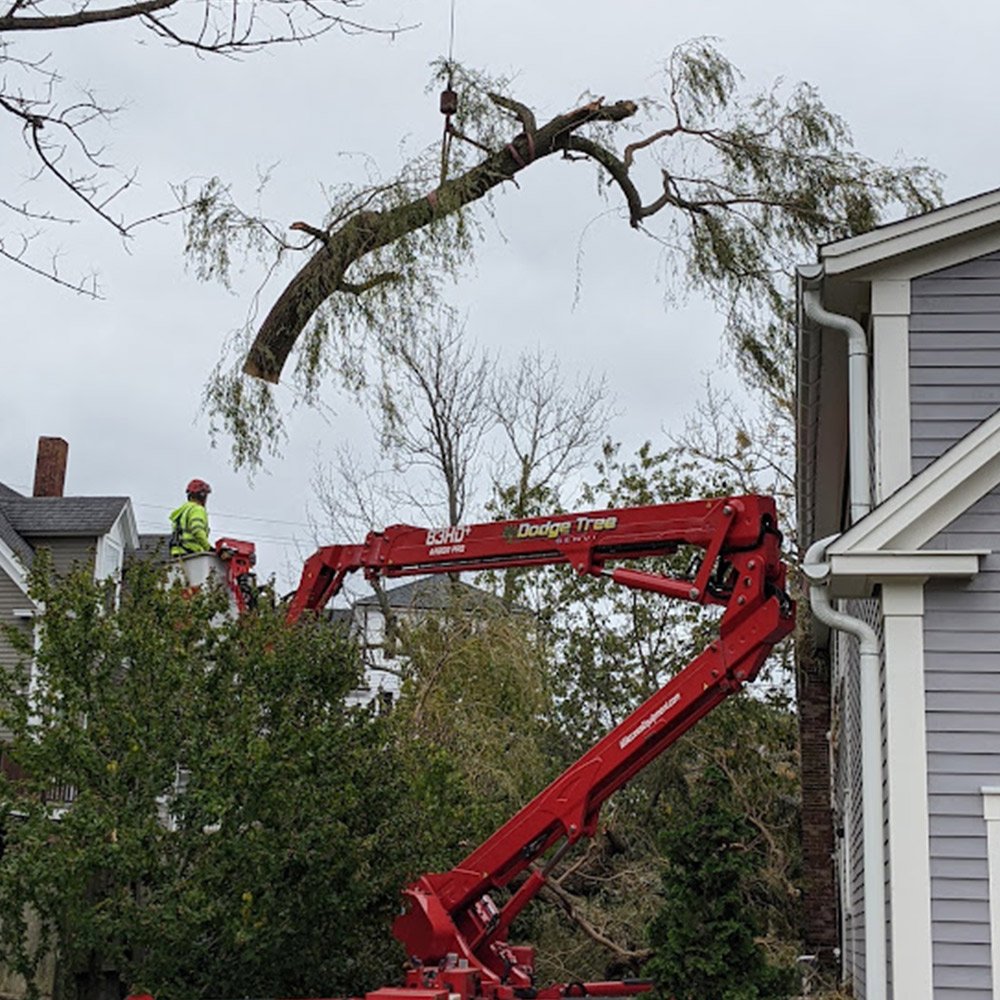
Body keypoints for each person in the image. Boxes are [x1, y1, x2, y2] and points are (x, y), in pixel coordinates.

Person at [170, 479, 212, 556]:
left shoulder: (183, 510)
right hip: (191, 553)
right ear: (202, 495)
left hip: (178, 553)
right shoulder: (197, 509)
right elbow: (197, 530)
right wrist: (209, 548)